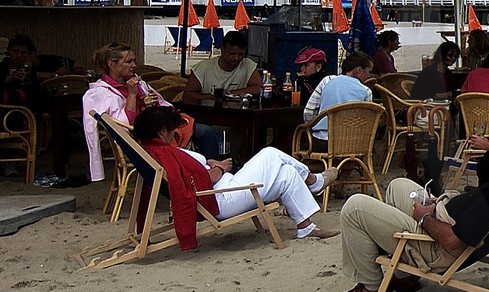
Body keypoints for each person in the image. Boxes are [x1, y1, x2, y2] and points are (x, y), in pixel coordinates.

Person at [325, 124, 489, 292]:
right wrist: (438, 205)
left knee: (354, 207)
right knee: (397, 186)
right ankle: (404, 277)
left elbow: (451, 240)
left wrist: (424, 217)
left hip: (434, 247)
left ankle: (371, 287)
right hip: (440, 216)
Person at [130, 105, 337, 244]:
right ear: (161, 132)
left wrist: (209, 162)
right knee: (270, 154)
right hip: (223, 199)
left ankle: (306, 228)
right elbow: (203, 180)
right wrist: (221, 168)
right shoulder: (164, 153)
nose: (176, 134)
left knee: (286, 173)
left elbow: (191, 172)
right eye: (173, 131)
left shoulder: (157, 151)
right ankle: (313, 181)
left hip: (223, 191)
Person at [83, 42, 179, 182]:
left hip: (158, 130)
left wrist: (151, 105)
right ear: (112, 64)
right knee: (201, 134)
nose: (134, 65)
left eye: (134, 60)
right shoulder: (100, 93)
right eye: (128, 61)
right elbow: (124, 126)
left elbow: (163, 105)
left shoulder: (137, 83)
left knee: (200, 131)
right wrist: (132, 95)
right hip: (138, 142)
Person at [303, 50, 374, 140]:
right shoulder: (366, 91)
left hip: (322, 140)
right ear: (359, 70)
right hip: (352, 144)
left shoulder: (327, 80)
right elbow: (367, 122)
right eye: (368, 72)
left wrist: (311, 127)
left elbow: (309, 111)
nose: (369, 76)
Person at [183, 30, 263, 100]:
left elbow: (259, 87)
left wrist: (230, 93)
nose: (236, 58)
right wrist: (212, 97)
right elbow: (188, 95)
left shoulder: (248, 65)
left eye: (240, 54)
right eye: (232, 54)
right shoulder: (202, 69)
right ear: (222, 49)